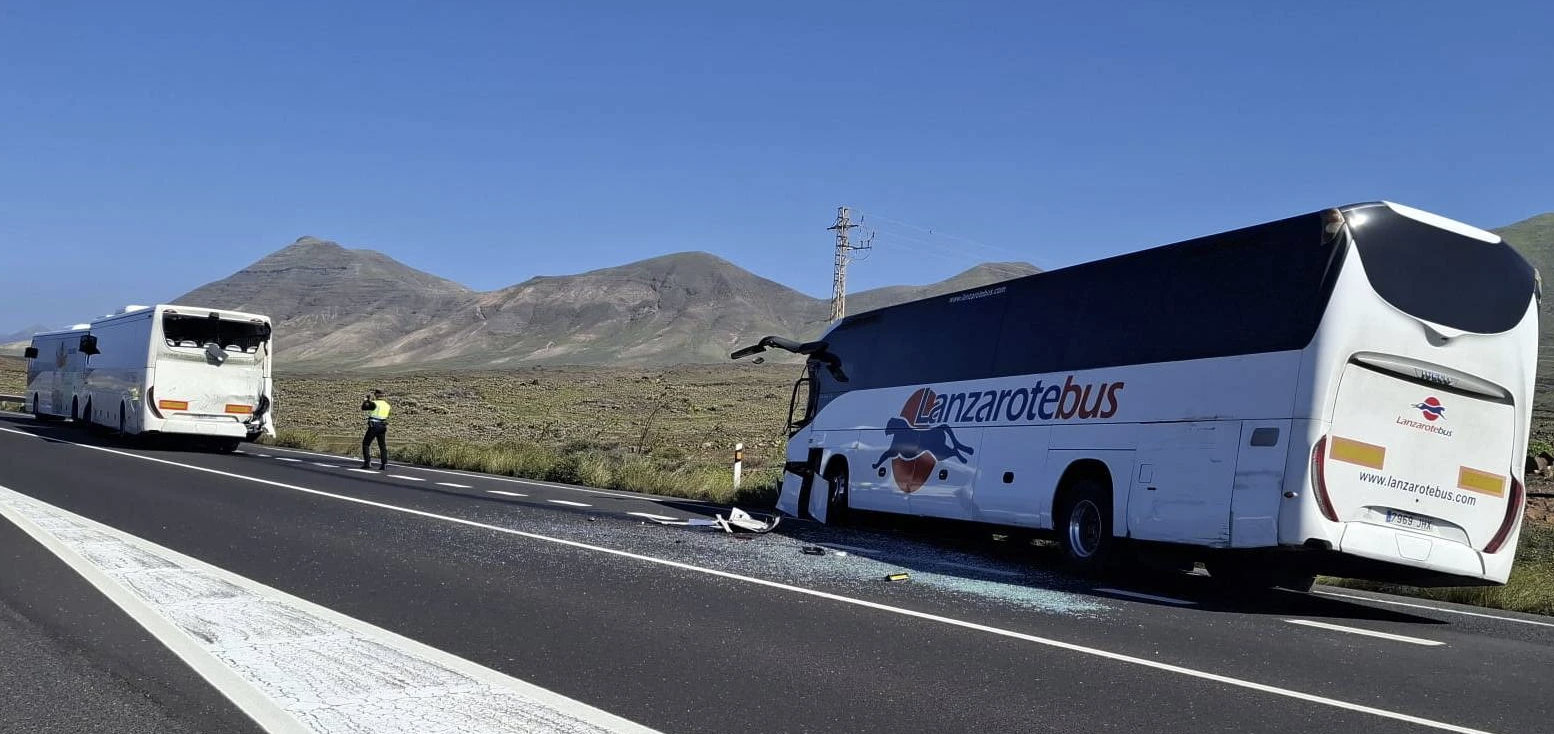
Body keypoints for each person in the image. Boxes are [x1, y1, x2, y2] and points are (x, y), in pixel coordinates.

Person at [360, 389, 391, 470]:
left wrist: (366, 401)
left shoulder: (374, 403)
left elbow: (364, 408)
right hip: (383, 425)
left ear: (376, 395)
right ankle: (384, 464)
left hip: (374, 425)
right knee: (382, 445)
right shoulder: (387, 405)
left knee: (366, 444)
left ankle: (367, 462)